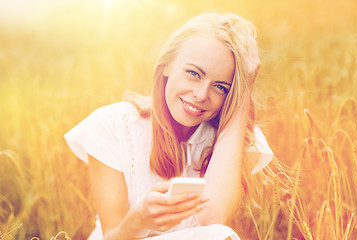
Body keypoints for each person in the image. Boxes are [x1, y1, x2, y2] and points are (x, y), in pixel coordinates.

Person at [64, 11, 274, 240]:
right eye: (193, 73)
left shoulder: (236, 138)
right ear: (166, 65)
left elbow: (212, 218)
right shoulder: (113, 125)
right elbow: (112, 235)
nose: (201, 94)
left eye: (221, 87)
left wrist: (243, 92)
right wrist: (138, 221)